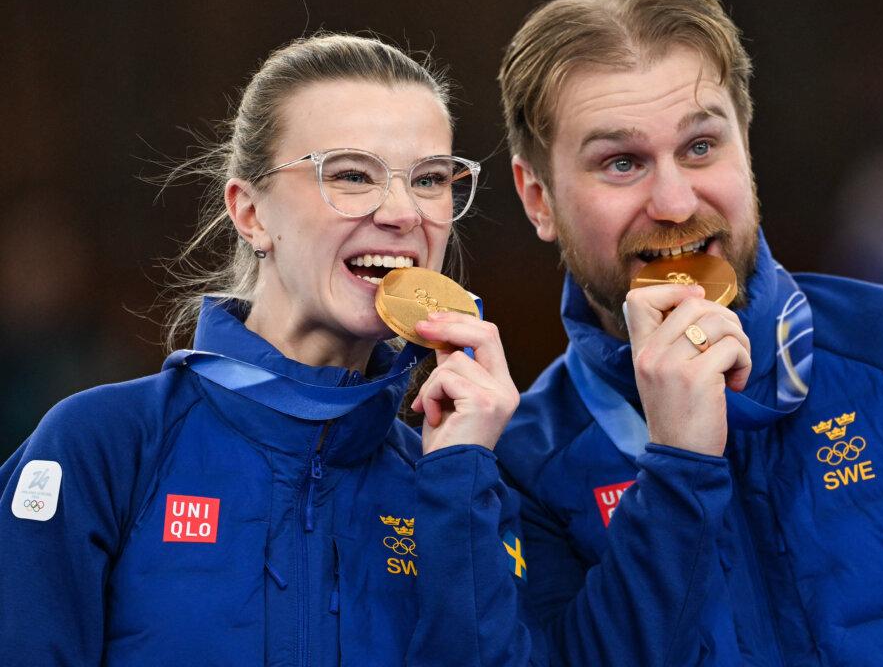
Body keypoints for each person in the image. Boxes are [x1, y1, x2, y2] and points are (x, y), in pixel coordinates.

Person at [495, 0, 883, 666]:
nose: (676, 200)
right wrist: (679, 469)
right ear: (539, 199)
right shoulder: (520, 472)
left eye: (702, 147)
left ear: (746, 146)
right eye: (621, 163)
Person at [0, 33, 540, 666]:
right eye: (350, 174)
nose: (403, 212)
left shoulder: (460, 483)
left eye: (429, 180)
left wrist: (459, 478)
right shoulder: (104, 447)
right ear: (250, 212)